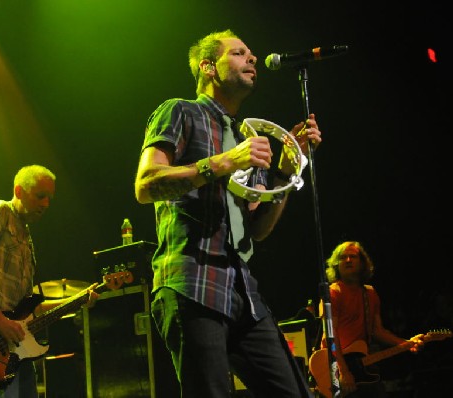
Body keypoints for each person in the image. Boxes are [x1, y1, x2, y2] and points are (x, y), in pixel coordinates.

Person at [134, 29, 322, 397]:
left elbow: (258, 229)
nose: (252, 59)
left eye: (251, 53)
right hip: (193, 283)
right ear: (208, 67)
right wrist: (224, 162)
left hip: (243, 293)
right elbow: (146, 184)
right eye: (238, 53)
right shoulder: (180, 111)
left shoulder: (244, 136)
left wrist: (287, 171)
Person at [0, 165, 98, 398]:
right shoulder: (0, 210)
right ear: (19, 190)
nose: (45, 204)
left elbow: (31, 308)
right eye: (40, 196)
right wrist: (0, 321)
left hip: (18, 344)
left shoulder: (27, 238)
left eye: (49, 199)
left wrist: (78, 300)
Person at [313, 241, 425, 398]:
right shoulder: (333, 293)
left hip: (361, 364)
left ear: (362, 263)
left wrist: (406, 343)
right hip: (337, 367)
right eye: (343, 257)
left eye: (352, 256)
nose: (348, 260)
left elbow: (377, 331)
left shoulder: (370, 294)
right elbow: (330, 336)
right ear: (336, 264)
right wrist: (343, 371)